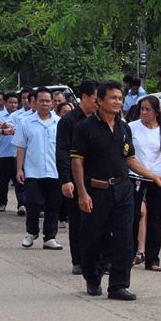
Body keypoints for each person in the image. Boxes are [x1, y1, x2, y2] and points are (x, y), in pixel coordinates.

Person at [70, 80, 161, 301]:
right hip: (95, 190)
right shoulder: (85, 128)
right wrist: (82, 193)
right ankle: (93, 277)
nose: (118, 102)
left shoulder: (124, 127)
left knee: (125, 239)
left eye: (120, 98)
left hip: (123, 190)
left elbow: (131, 159)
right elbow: (77, 162)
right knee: (92, 239)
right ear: (100, 100)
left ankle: (118, 285)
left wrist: (155, 177)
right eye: (113, 98)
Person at [57, 79, 99, 275]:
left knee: (100, 221)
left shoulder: (101, 119)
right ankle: (79, 260)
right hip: (75, 178)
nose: (98, 104)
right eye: (95, 99)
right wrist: (66, 179)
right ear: (84, 97)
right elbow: (63, 152)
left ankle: (100, 259)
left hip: (98, 178)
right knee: (78, 221)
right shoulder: (69, 121)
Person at [14, 87, 63, 250]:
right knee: (33, 202)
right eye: (41, 101)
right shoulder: (25, 122)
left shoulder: (60, 123)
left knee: (53, 205)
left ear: (53, 103)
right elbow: (21, 147)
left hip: (55, 171)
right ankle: (31, 231)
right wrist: (19, 169)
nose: (45, 104)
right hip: (33, 171)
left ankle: (50, 237)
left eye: (48, 101)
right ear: (34, 102)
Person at [128, 95, 161, 271]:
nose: (144, 113)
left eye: (148, 110)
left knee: (154, 217)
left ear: (156, 112)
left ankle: (153, 259)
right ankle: (130, 253)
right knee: (133, 215)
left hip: (157, 178)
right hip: (134, 175)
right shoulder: (131, 127)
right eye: (142, 109)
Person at [0, 93, 23, 213]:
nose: (13, 105)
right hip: (3, 154)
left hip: (18, 154)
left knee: (20, 181)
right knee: (3, 181)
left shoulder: (22, 116)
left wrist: (7, 126)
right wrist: (2, 130)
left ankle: (22, 204)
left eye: (15, 103)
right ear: (5, 103)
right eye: (10, 102)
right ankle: (2, 203)